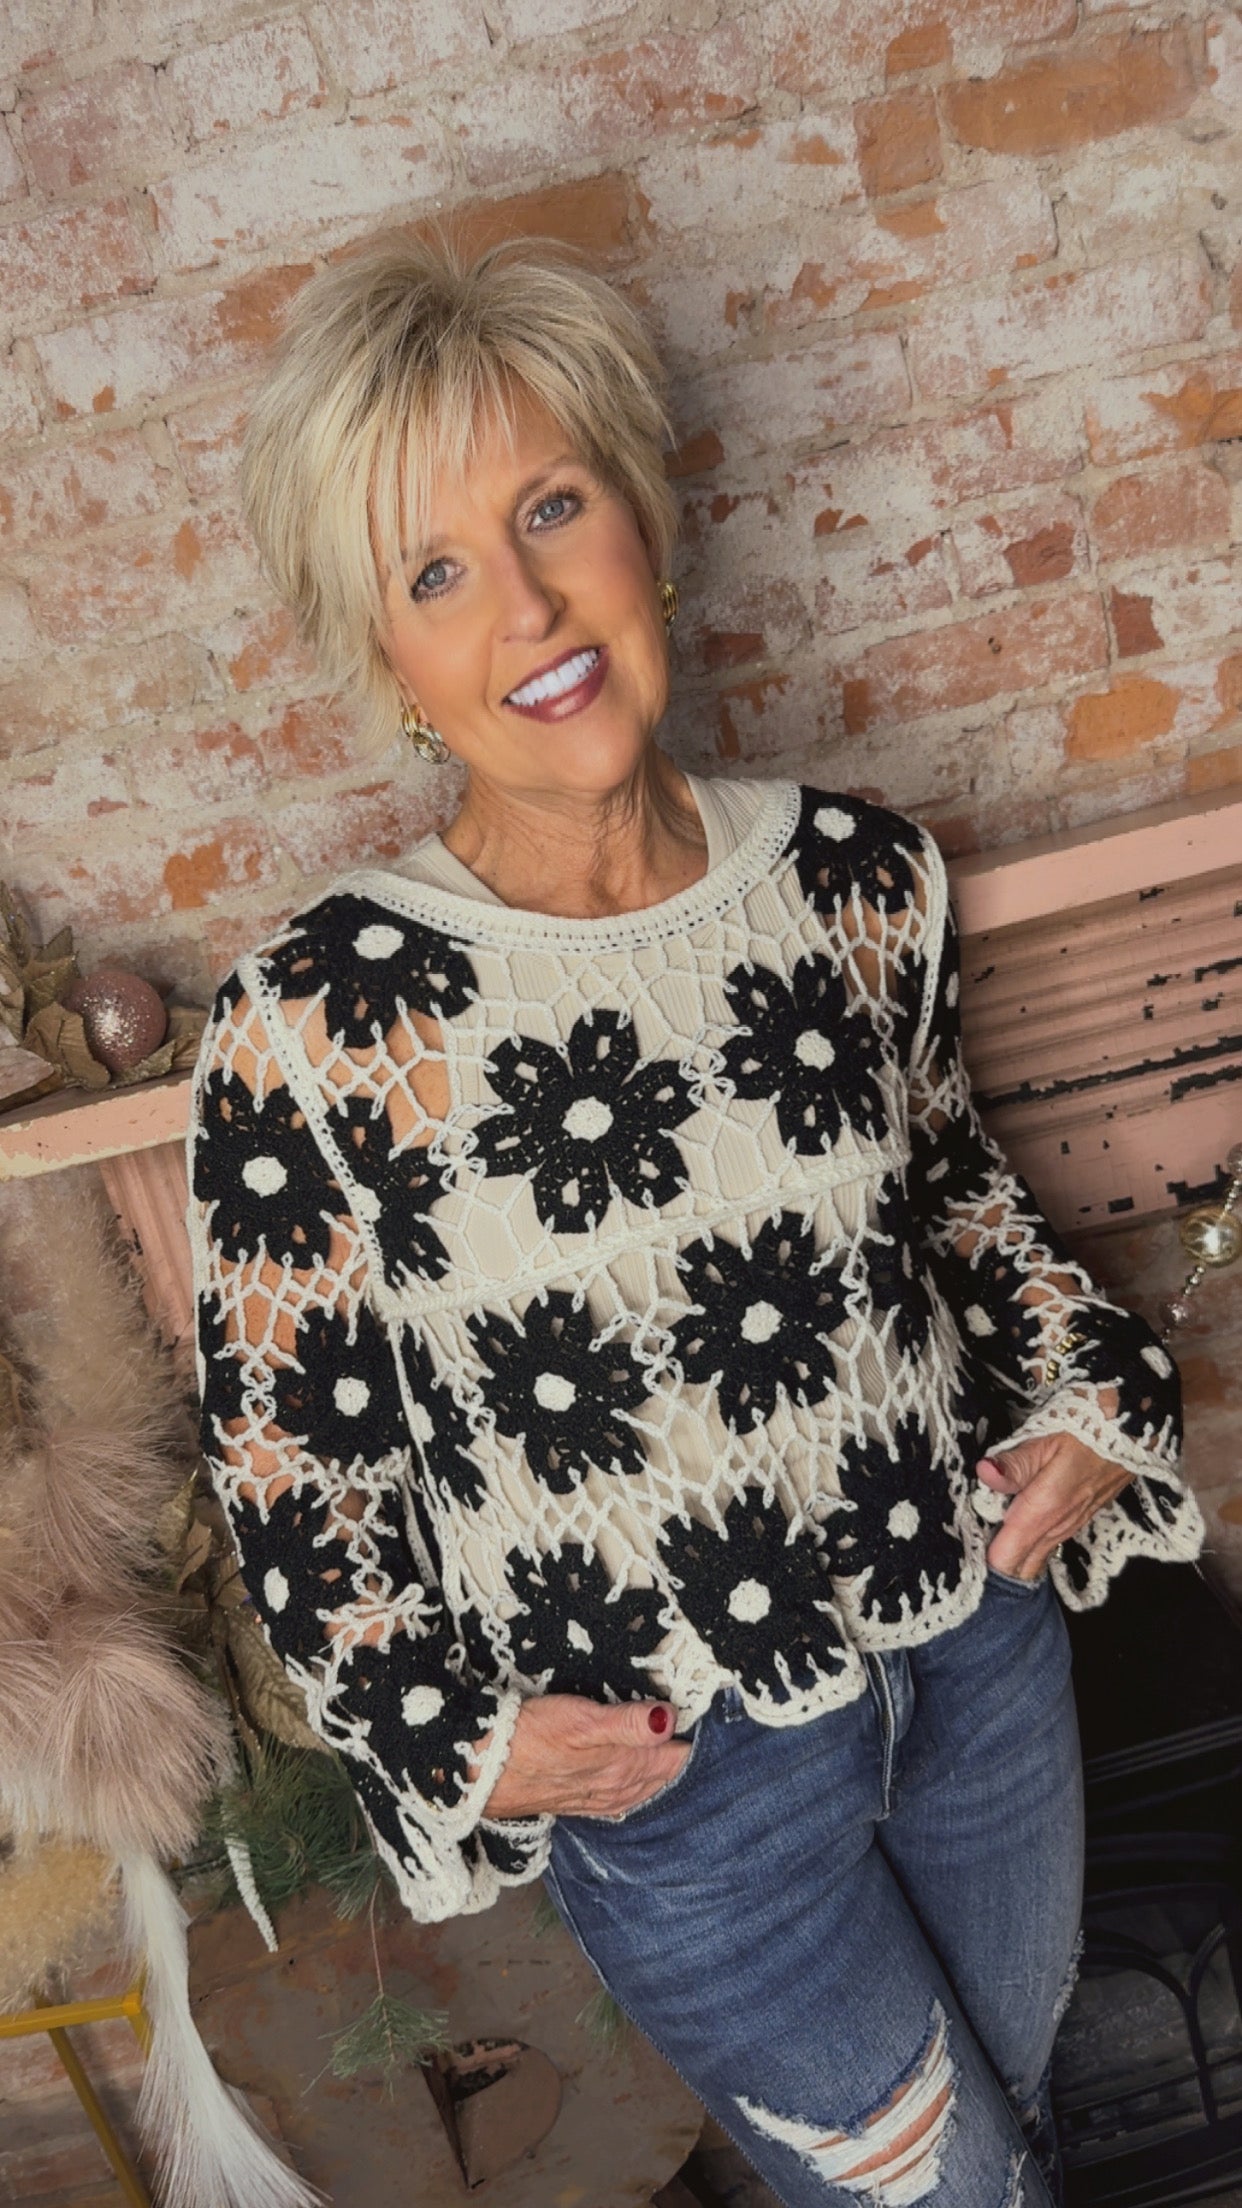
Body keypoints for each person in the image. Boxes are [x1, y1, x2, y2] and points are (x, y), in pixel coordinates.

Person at [188, 232, 1204, 2208]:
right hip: (695, 1793)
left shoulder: (857, 881)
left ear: (644, 518)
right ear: (387, 659)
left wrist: (1096, 1394)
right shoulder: (315, 1024)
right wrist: (449, 1732)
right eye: (434, 572)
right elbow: (292, 1463)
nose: (527, 605)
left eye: (551, 506)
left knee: (1014, 2150)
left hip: (977, 1663)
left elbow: (953, 1205)